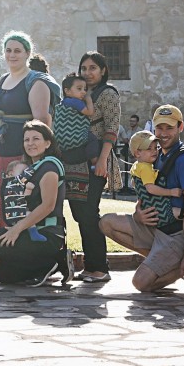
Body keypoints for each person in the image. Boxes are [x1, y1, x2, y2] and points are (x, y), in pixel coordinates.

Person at [99, 105, 184, 291]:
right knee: (106, 222)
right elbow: (145, 195)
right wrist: (137, 214)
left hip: (183, 233)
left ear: (180, 128)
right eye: (160, 128)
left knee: (141, 283)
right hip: (160, 228)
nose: (164, 133)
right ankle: (165, 261)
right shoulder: (156, 155)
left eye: (169, 128)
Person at [0, 120, 71, 286]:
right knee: (4, 275)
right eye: (26, 140)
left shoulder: (49, 166)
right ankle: (47, 264)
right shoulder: (31, 168)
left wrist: (16, 229)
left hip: (47, 235)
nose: (30, 143)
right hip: (29, 231)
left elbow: (48, 205)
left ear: (48, 143)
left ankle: (54, 260)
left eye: (36, 139)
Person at [0, 31, 59, 225]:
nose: (12, 54)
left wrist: (34, 158)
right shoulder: (3, 79)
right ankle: (4, 251)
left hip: (23, 153)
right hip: (3, 151)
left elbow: (42, 120)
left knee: (21, 202)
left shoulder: (36, 81)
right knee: (5, 199)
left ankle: (21, 249)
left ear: (27, 53)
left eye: (17, 50)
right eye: (8, 50)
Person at [66, 50, 120, 283]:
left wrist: (102, 161)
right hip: (77, 160)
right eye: (84, 68)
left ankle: (99, 268)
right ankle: (92, 266)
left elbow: (112, 129)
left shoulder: (107, 94)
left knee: (89, 213)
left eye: (92, 68)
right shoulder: (81, 94)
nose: (87, 73)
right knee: (81, 214)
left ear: (103, 70)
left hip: (96, 159)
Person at [127, 130, 184, 225]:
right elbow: (150, 189)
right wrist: (171, 192)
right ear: (137, 153)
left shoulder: (137, 165)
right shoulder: (146, 168)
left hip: (148, 209)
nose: (154, 151)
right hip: (158, 211)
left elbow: (133, 183)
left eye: (156, 147)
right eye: (149, 148)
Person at [52, 72, 97, 163]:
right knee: (93, 139)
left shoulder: (64, 102)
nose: (84, 92)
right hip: (73, 136)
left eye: (85, 89)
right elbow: (90, 112)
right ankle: (94, 161)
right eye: (79, 89)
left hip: (61, 138)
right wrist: (88, 99)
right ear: (67, 91)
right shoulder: (76, 102)